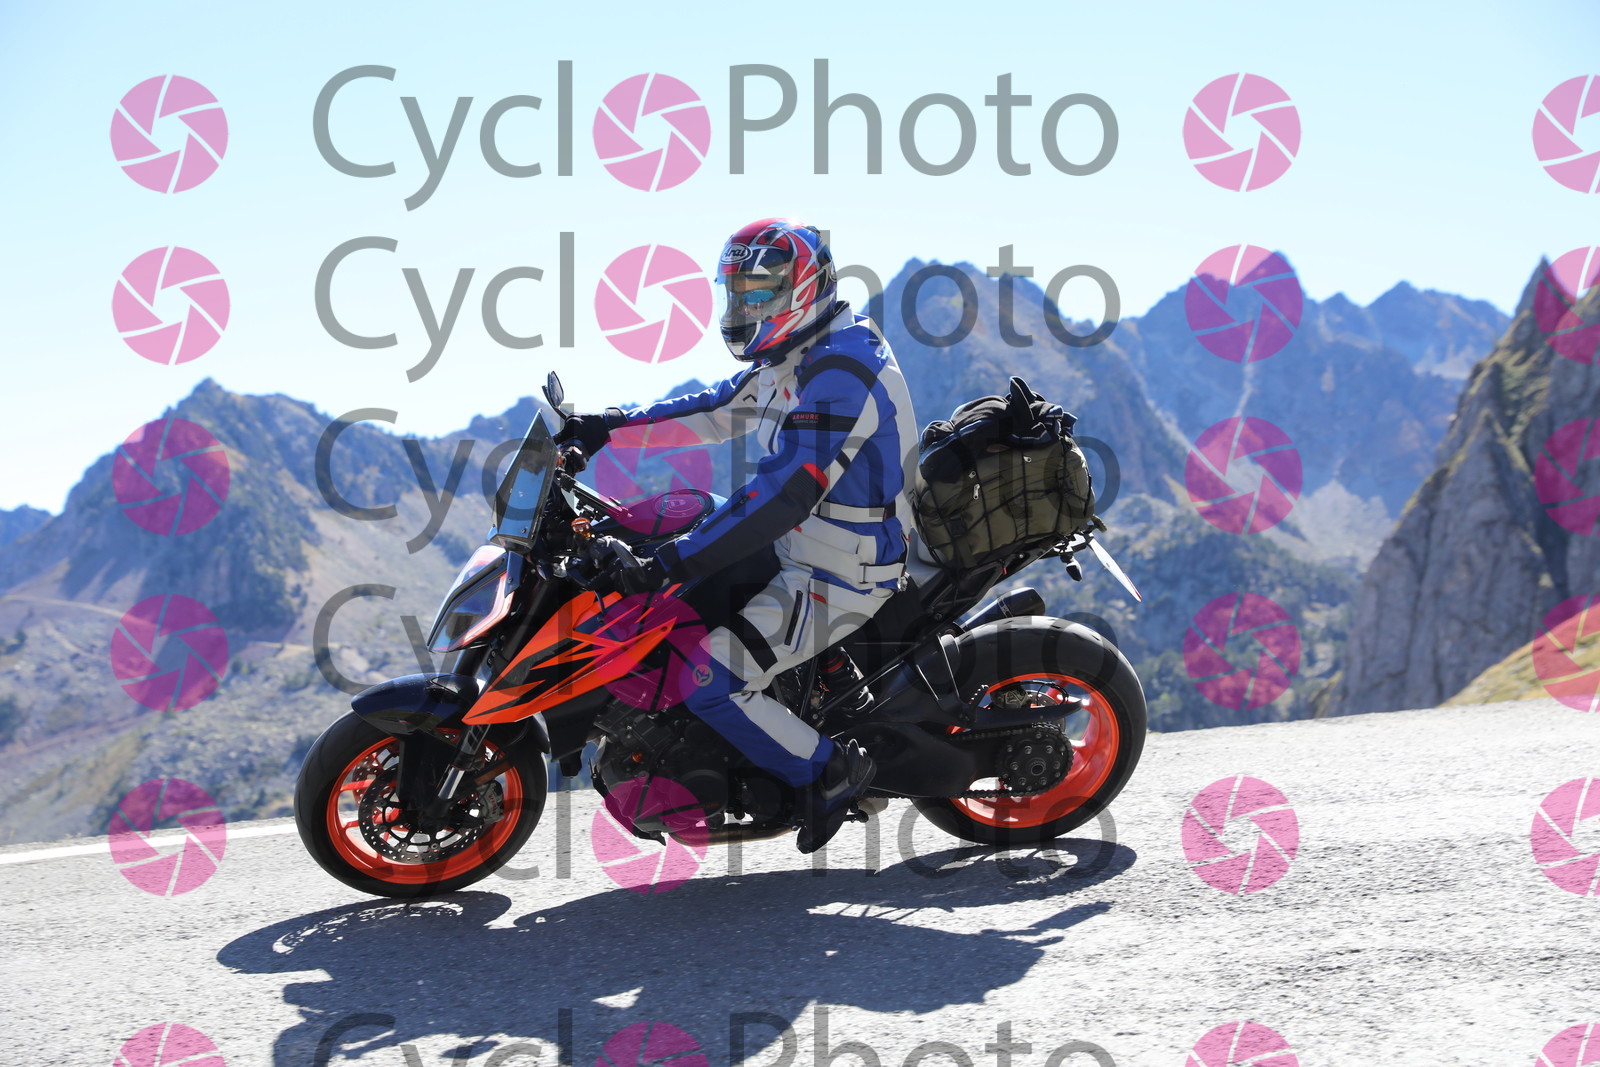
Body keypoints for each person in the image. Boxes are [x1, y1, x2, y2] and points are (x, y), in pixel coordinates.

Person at [556, 219, 917, 853]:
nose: (744, 308)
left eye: (760, 293)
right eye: (736, 293)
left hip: (841, 568)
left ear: (802, 289)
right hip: (802, 542)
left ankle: (829, 773)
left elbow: (783, 495)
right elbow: (717, 411)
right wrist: (605, 427)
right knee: (684, 518)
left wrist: (670, 562)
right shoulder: (798, 353)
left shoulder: (842, 371)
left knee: (710, 679)